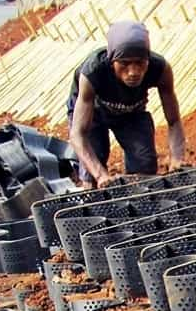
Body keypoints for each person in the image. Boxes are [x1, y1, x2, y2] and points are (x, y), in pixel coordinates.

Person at [67, 20, 186, 187]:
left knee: (144, 168)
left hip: (131, 112)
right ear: (112, 61)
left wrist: (177, 158)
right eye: (124, 63)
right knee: (92, 173)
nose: (133, 72)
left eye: (139, 63)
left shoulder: (160, 69)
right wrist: (100, 174)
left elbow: (173, 121)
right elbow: (78, 134)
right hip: (93, 114)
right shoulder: (93, 72)